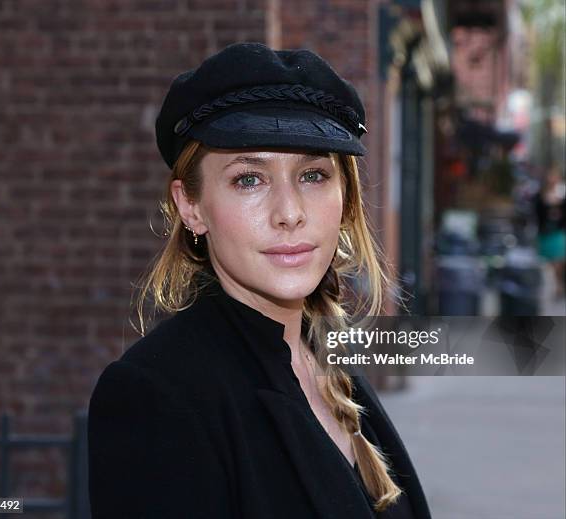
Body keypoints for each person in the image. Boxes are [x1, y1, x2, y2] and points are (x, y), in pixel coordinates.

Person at [87, 42, 432, 518]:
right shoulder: (158, 395)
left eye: (312, 175)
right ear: (192, 206)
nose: (289, 213)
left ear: (346, 198)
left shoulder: (325, 358)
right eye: (249, 179)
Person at [534, 168, 566, 299]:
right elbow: (537, 212)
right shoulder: (540, 195)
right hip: (546, 232)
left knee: (559, 260)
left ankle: (559, 286)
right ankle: (555, 285)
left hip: (559, 232)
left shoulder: (562, 193)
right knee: (550, 262)